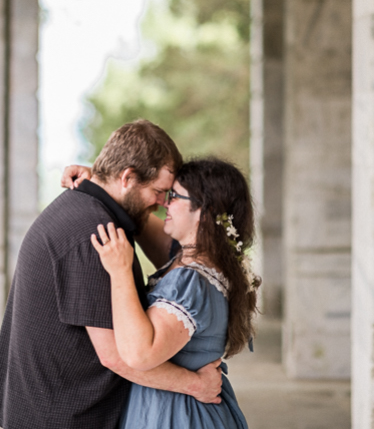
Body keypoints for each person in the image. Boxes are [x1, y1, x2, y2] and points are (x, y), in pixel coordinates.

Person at [0, 120, 223, 429]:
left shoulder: (91, 210)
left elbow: (178, 251)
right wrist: (196, 385)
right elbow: (115, 355)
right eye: (159, 192)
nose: (163, 203)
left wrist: (96, 182)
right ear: (127, 177)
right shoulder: (96, 234)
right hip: (63, 418)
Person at [90, 157, 258, 429]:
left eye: (175, 196)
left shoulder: (191, 280)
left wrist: (120, 270)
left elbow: (139, 355)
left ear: (204, 211)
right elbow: (141, 220)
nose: (165, 203)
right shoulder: (201, 262)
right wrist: (100, 182)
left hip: (177, 416)